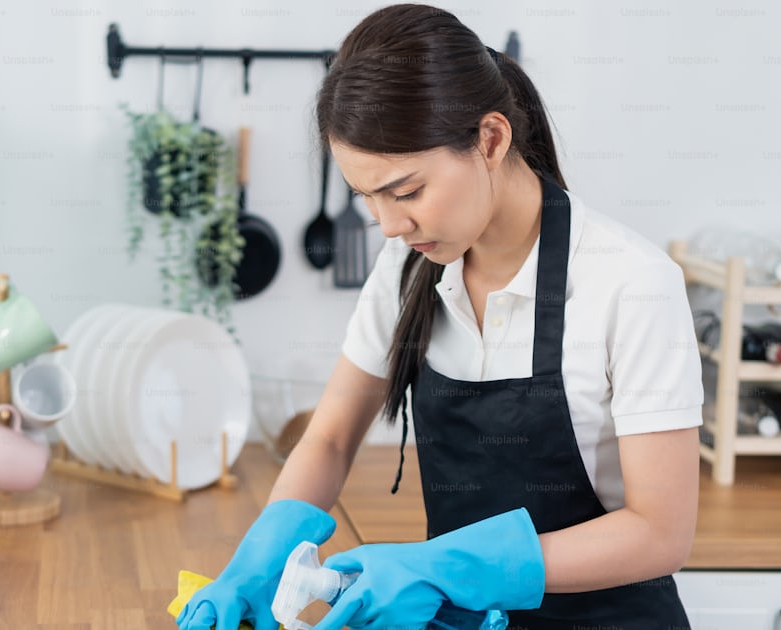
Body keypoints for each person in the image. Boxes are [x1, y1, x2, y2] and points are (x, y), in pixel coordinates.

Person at [175, 4, 701, 629]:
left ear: (491, 139)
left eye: (406, 192)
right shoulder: (407, 271)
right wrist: (258, 562)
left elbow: (660, 534)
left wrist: (442, 570)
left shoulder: (630, 284)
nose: (391, 226)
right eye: (367, 199)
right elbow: (331, 437)